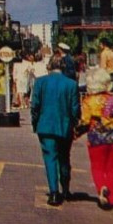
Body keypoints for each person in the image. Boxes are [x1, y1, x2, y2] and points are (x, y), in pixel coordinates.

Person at [78, 67, 113, 209]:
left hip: (97, 139)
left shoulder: (88, 101)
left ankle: (102, 188)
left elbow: (84, 123)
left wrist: (75, 134)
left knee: (98, 167)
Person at [30, 54, 80, 207]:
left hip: (45, 126)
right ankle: (65, 189)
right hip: (64, 126)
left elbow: (35, 106)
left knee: (50, 158)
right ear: (63, 67)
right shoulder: (71, 84)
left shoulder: (40, 82)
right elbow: (75, 108)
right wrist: (75, 122)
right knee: (64, 158)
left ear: (49, 66)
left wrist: (35, 123)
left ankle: (53, 192)